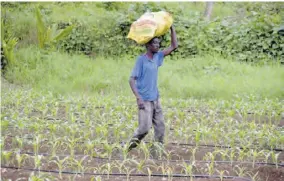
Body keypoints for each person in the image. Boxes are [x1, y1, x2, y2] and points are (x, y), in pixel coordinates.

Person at [128, 25, 178, 152]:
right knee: (144, 128)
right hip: (144, 100)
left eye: (158, 43)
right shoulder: (141, 60)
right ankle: (128, 148)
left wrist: (172, 29)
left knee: (160, 128)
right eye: (155, 43)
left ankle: (156, 152)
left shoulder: (158, 57)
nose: (158, 45)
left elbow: (173, 46)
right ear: (148, 45)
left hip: (155, 99)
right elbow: (131, 79)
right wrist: (138, 98)